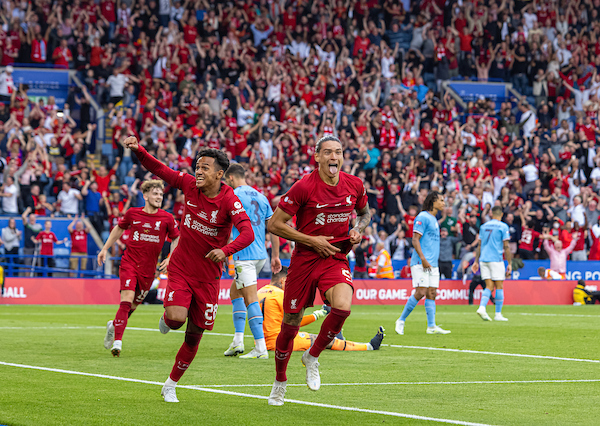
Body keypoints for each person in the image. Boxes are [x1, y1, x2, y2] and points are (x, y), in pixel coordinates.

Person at [124, 136, 255, 403]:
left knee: (194, 336)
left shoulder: (230, 201)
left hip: (208, 277)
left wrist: (225, 250)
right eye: (197, 165)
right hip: (182, 267)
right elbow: (160, 169)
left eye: (205, 167)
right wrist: (139, 150)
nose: (198, 170)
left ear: (220, 174)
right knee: (175, 319)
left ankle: (170, 384)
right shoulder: (188, 185)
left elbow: (248, 233)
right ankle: (166, 319)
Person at [265, 135, 371, 406]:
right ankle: (280, 382)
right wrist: (312, 240)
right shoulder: (304, 187)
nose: (333, 157)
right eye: (327, 153)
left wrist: (357, 230)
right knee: (289, 325)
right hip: (304, 259)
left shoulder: (355, 184)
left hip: (334, 257)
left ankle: (312, 356)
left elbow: (365, 214)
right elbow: (275, 224)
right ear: (317, 157)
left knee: (343, 307)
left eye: (338, 152)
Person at [99, 179, 180, 357]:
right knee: (126, 299)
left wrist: (170, 257)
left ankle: (113, 325)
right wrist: (105, 248)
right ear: (145, 196)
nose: (159, 197)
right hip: (129, 262)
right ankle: (118, 342)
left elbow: (176, 238)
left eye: (161, 194)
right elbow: (118, 229)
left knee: (133, 307)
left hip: (149, 269)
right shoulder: (133, 213)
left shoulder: (166, 218)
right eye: (155, 193)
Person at [222, 163, 282, 360]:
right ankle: (238, 341)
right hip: (260, 254)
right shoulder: (261, 197)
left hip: (244, 254)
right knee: (235, 292)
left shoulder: (232, 196)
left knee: (250, 298)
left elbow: (224, 226)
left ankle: (260, 347)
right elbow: (273, 227)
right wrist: (275, 256)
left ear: (230, 178)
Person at [259, 267, 385, 352]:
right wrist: (319, 314)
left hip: (263, 342)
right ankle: (369, 347)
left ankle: (340, 336)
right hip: (280, 342)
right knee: (325, 340)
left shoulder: (259, 292)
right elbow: (296, 322)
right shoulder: (280, 295)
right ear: (283, 280)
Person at [395, 192, 451, 336]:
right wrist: (423, 259)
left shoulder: (434, 219)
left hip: (433, 264)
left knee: (432, 293)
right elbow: (415, 240)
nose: (444, 203)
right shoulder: (422, 217)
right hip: (421, 262)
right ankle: (401, 320)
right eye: (441, 200)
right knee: (420, 292)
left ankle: (431, 326)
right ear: (433, 201)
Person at [471, 206, 512, 322]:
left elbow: (479, 245)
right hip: (496, 259)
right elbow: (506, 246)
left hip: (483, 259)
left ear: (491, 214)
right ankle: (498, 314)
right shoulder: (503, 227)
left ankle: (482, 307)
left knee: (489, 286)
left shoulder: (483, 226)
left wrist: (476, 261)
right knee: (499, 286)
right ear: (501, 214)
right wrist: (509, 263)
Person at [21, 208, 42, 275]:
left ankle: (37, 280)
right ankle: (27, 279)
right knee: (27, 265)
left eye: (33, 218)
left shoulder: (39, 227)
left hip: (37, 248)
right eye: (31, 218)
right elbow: (23, 217)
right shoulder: (27, 225)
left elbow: (41, 237)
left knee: (38, 265)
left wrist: (37, 241)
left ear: (35, 219)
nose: (32, 219)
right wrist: (27, 210)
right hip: (28, 248)